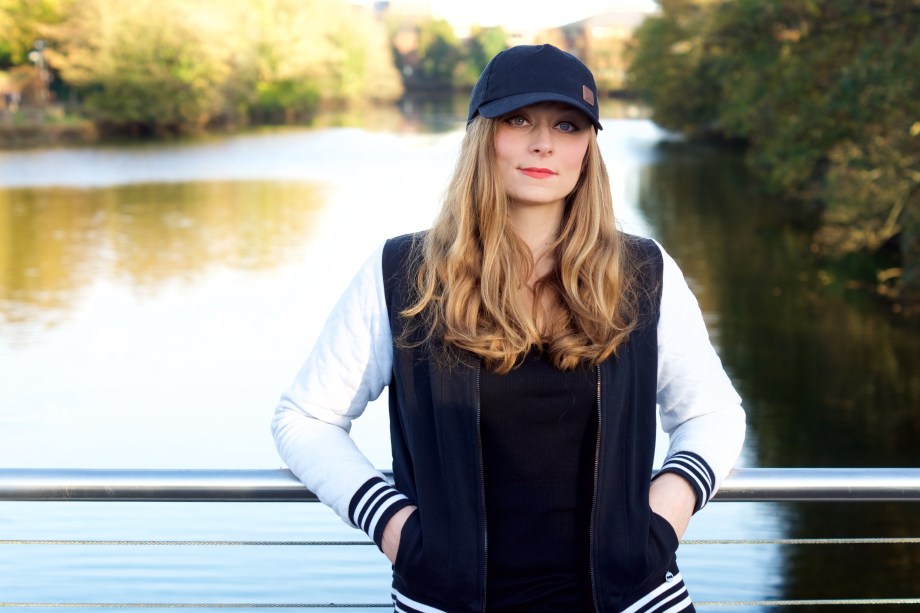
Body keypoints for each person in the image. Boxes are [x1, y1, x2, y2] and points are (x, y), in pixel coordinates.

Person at [272, 44, 745, 612]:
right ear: (481, 136)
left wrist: (663, 518)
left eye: (567, 125)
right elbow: (305, 419)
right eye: (519, 120)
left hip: (633, 600)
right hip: (447, 601)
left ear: (587, 149)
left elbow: (712, 414)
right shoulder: (404, 273)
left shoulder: (642, 271)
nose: (543, 142)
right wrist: (395, 527)